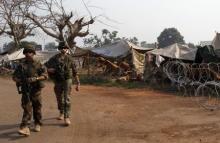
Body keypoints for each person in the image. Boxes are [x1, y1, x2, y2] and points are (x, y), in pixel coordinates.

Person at [12, 45, 48, 136]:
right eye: (26, 52)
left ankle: (37, 123)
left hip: (36, 90)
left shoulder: (38, 64)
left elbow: (45, 76)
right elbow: (14, 77)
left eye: (30, 52)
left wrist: (36, 78)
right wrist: (19, 80)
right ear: (24, 54)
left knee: (37, 108)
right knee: (27, 109)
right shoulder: (21, 66)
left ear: (33, 53)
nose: (28, 54)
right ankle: (24, 127)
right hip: (25, 90)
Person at [45, 41, 80, 126]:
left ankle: (66, 117)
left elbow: (75, 72)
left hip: (67, 80)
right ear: (59, 49)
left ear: (67, 49)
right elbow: (45, 66)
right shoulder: (53, 58)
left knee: (66, 98)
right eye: (62, 48)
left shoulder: (70, 59)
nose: (64, 49)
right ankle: (61, 112)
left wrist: (78, 83)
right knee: (59, 98)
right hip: (57, 80)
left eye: (65, 48)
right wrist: (49, 70)